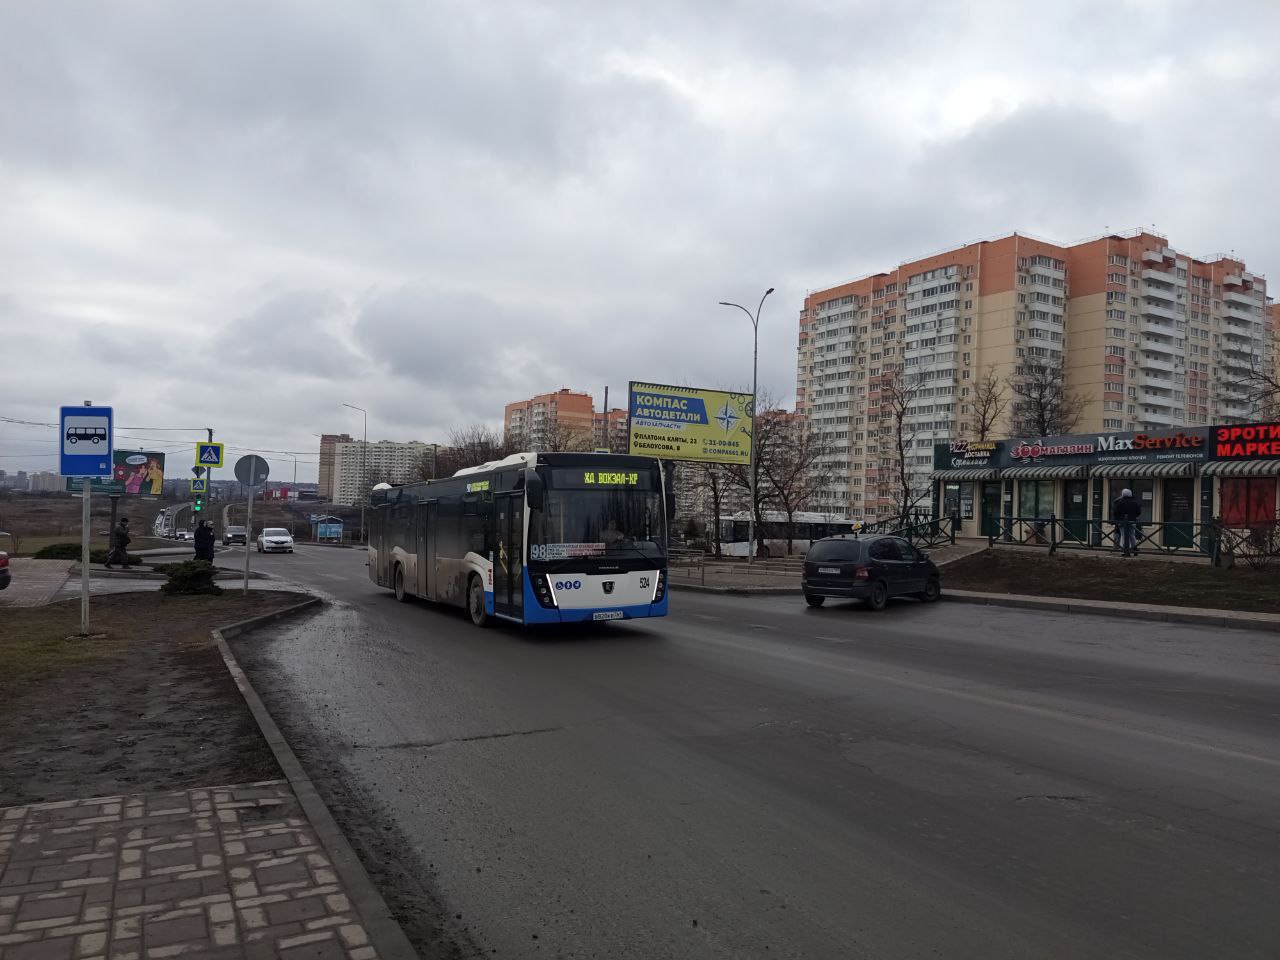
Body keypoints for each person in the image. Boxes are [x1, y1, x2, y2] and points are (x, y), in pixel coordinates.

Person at [1112, 487, 1142, 557]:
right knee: (1132, 535)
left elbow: (1115, 512)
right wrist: (1133, 516)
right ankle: (1134, 549)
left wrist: (1118, 518)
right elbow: (1138, 512)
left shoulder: (1120, 502)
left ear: (1123, 494)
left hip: (1122, 521)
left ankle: (1126, 551)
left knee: (1123, 535)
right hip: (1132, 521)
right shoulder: (1135, 502)